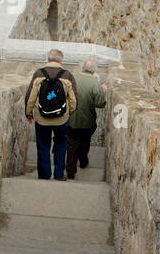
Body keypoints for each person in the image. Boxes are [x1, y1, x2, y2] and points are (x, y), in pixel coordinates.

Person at [25, 49, 77, 181]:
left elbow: (30, 97)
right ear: (61, 60)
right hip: (61, 119)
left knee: (43, 145)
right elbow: (73, 100)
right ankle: (59, 175)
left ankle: (44, 175)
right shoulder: (67, 75)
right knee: (61, 144)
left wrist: (29, 113)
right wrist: (68, 113)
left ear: (48, 59)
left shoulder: (38, 74)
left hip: (42, 118)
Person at [66, 58, 107, 179]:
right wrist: (102, 91)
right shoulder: (95, 83)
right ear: (94, 70)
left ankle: (70, 170)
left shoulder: (72, 78)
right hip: (87, 120)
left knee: (71, 144)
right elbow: (100, 103)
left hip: (71, 118)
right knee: (84, 141)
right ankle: (83, 161)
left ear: (82, 67)